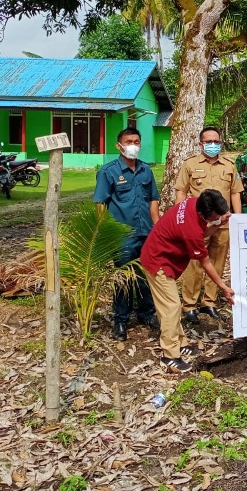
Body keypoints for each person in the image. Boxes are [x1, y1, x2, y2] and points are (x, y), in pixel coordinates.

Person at [140, 189, 235, 373]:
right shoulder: (191, 228)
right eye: (215, 215)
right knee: (171, 306)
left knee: (170, 305)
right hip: (157, 261)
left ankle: (181, 343)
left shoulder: (193, 202)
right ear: (204, 213)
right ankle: (170, 355)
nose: (218, 217)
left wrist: (218, 222)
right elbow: (205, 262)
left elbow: (202, 232)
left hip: (161, 256)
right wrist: (223, 287)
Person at [93, 127, 161, 341]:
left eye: (137, 141)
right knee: (123, 279)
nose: (133, 145)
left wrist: (157, 229)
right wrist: (104, 234)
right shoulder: (109, 171)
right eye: (129, 141)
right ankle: (120, 321)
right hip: (123, 236)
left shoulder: (145, 170)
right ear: (119, 145)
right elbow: (100, 204)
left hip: (146, 233)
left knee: (144, 276)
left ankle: (146, 314)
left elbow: (153, 201)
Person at [175, 126, 243, 323]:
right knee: (195, 264)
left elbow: (235, 193)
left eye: (216, 142)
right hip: (198, 225)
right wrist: (180, 218)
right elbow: (181, 191)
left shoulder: (229, 166)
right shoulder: (190, 164)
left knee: (217, 262)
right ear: (200, 144)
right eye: (208, 142)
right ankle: (189, 305)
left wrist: (237, 218)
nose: (213, 145)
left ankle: (209, 302)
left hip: (223, 223)